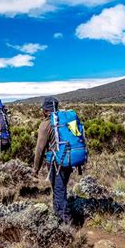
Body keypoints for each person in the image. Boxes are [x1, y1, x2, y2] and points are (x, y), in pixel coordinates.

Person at [33, 96, 72, 224]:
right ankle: (57, 216)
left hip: (56, 162)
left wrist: (36, 169)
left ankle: (66, 223)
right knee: (60, 188)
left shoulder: (46, 124)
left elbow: (40, 149)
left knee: (59, 190)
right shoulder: (65, 120)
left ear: (45, 110)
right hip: (68, 158)